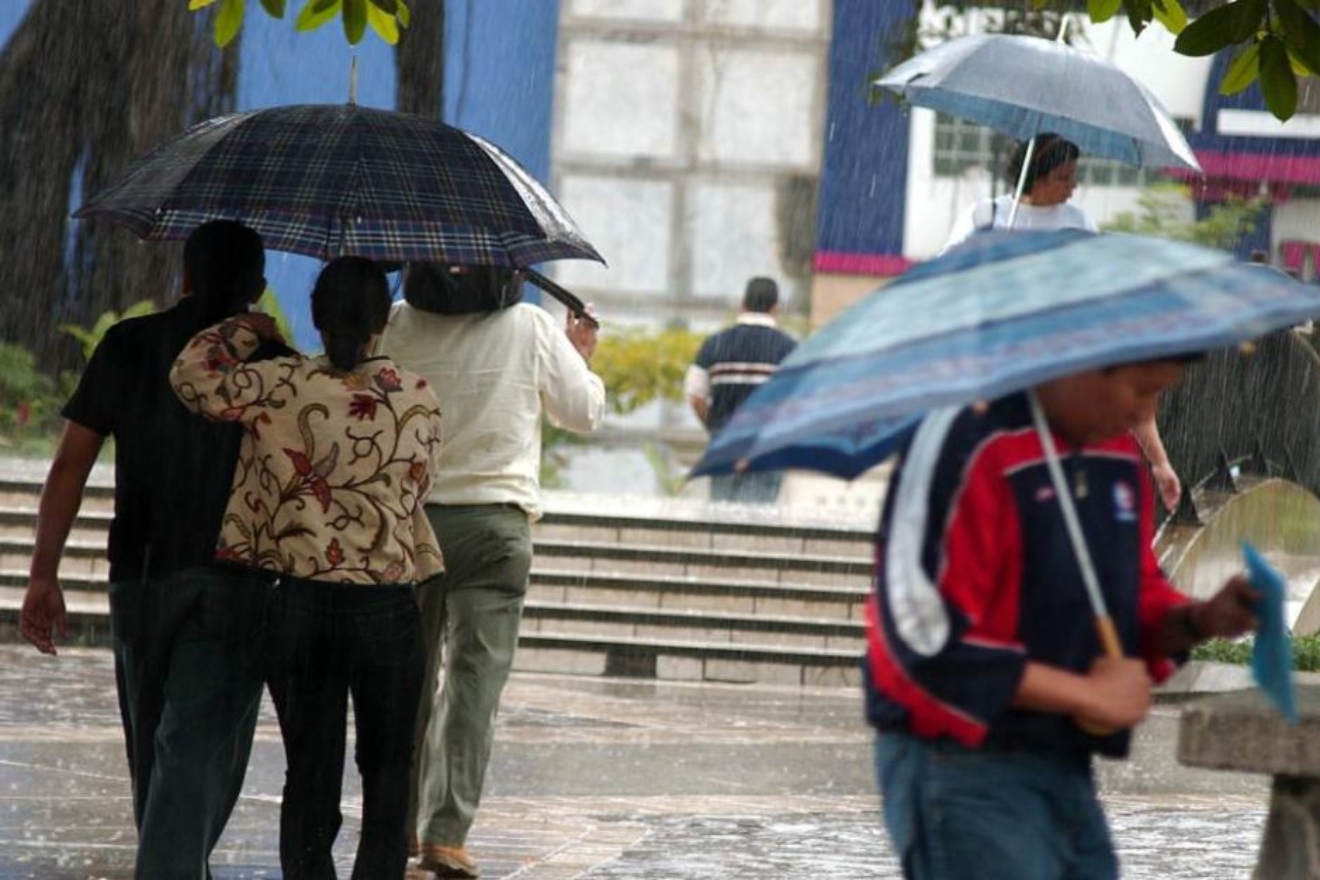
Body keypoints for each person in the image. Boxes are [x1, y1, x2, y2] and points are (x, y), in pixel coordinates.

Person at [865, 357, 1259, 880]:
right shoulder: (965, 444)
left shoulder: (1115, 455)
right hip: (961, 765)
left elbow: (1133, 596)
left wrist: (1201, 619)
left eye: (1159, 394)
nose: (1145, 412)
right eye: (1140, 389)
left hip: (1063, 763)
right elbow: (925, 640)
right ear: (1082, 366)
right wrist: (1083, 694)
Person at [19, 220, 290, 879]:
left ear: (186, 276)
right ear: (257, 287)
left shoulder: (129, 344)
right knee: (191, 747)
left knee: (158, 746)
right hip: (237, 580)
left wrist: (43, 574)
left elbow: (68, 466)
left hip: (139, 574)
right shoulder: (275, 366)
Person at [169, 256, 444, 879]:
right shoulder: (419, 396)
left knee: (311, 769)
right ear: (382, 319)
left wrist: (247, 329)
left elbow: (190, 376)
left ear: (316, 317)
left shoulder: (280, 383)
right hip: (386, 608)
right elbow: (417, 490)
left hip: (295, 604)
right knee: (389, 767)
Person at [379, 262, 605, 878]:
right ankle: (445, 836)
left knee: (408, 686)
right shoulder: (530, 327)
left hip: (411, 528)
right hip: (495, 529)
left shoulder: (395, 323)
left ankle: (394, 824)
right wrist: (578, 353)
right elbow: (583, 413)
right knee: (474, 687)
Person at [943, 133, 1182, 513]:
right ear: (1036, 176)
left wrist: (1158, 462)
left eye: (1075, 176)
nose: (1073, 188)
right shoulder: (984, 218)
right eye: (1064, 177)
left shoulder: (1078, 225)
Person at [684, 276, 797, 504]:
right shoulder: (790, 349)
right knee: (758, 526)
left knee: (722, 523)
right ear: (776, 308)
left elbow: (696, 395)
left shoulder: (715, 344)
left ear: (743, 303)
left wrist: (716, 427)